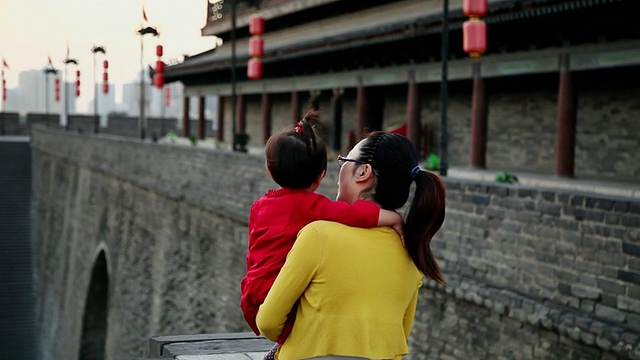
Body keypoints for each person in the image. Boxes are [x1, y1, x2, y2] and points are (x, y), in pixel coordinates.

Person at [256, 131, 447, 360]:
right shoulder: (412, 252)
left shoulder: (318, 236)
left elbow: (267, 322)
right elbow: (399, 334)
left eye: (344, 161)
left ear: (363, 172)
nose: (338, 171)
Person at [241, 111, 404, 357]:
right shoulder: (314, 207)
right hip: (278, 293)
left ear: (270, 169)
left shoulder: (259, 206)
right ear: (320, 176)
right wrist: (394, 217)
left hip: (253, 289)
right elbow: (356, 215)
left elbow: (254, 254)